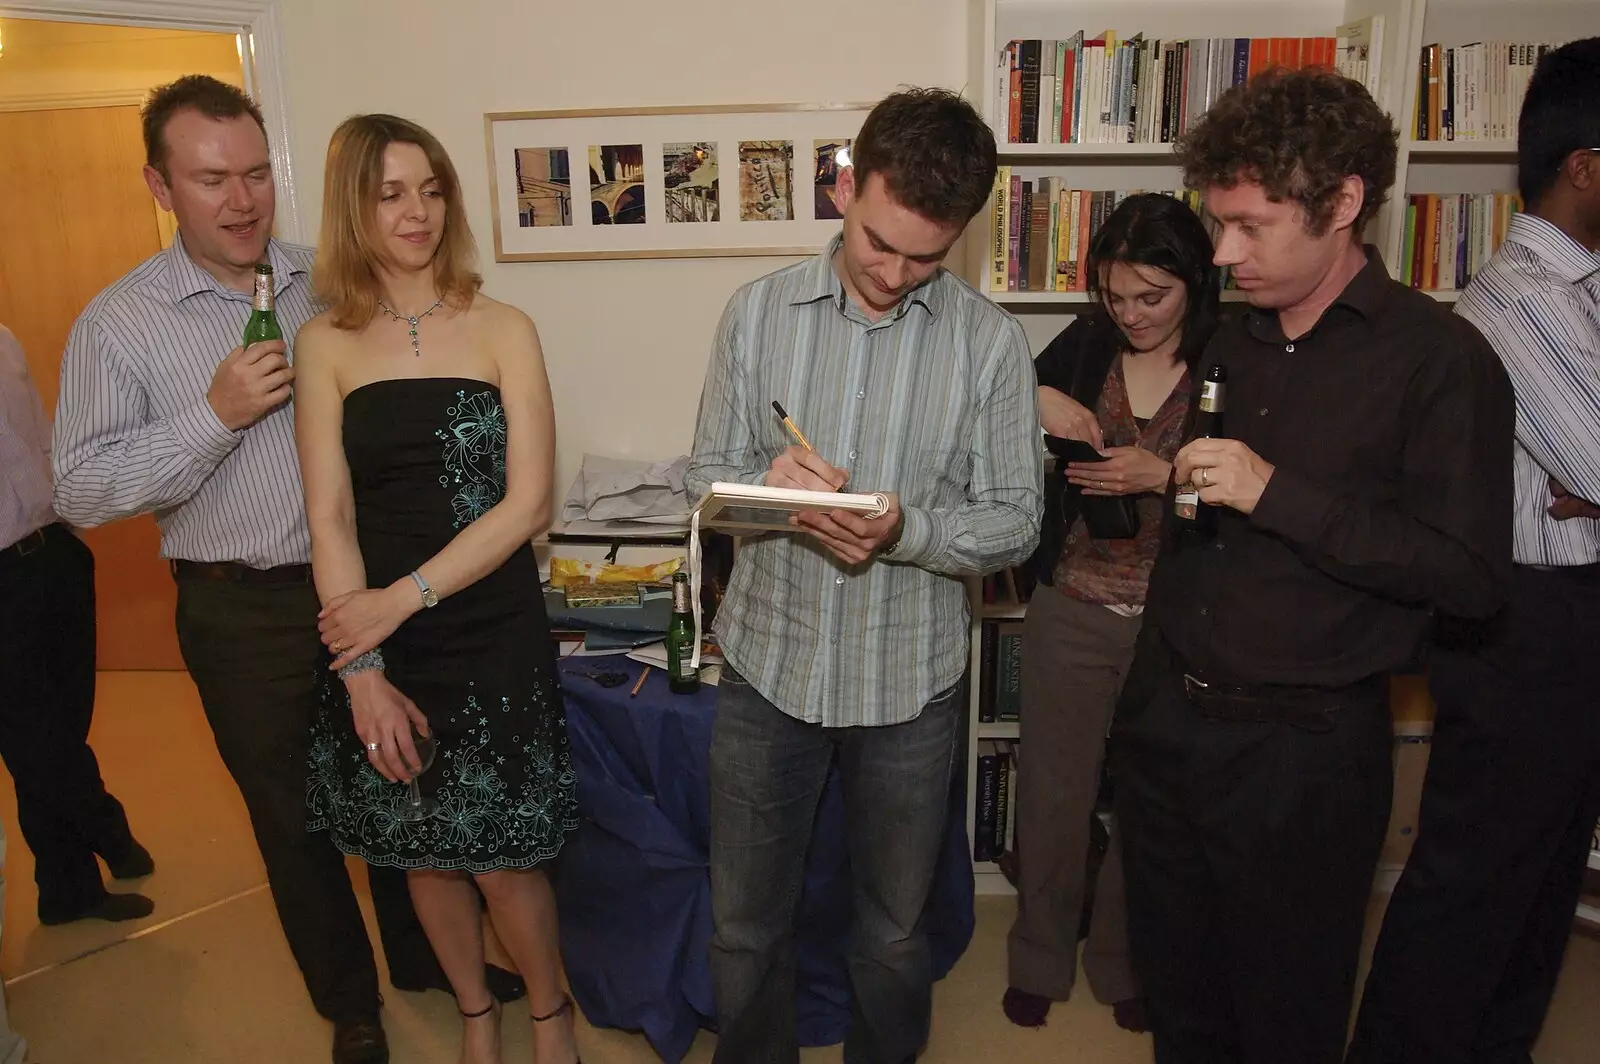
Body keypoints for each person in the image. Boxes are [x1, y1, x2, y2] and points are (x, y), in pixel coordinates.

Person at [50, 76, 521, 1064]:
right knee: (294, 816)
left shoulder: (332, 280)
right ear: (160, 184)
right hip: (243, 605)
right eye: (212, 177)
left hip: (371, 586)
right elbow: (82, 490)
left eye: (257, 173)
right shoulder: (118, 322)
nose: (242, 199)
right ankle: (349, 1001)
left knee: (404, 773)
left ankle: (428, 958)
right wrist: (211, 415)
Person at [1107, 68, 1515, 1064]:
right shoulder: (1233, 337)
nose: (1222, 251)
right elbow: (1203, 532)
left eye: (1250, 225)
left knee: (1284, 1019)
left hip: (1303, 757)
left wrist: (1274, 491)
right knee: (1181, 1008)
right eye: (1218, 222)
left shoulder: (1438, 360)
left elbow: (1469, 576)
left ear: (1340, 205)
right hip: (1170, 725)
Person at [685, 87, 1042, 1063]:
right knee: (745, 922)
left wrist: (905, 528)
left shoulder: (990, 346)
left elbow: (1017, 518)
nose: (891, 273)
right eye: (876, 240)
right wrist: (762, 486)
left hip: (908, 681)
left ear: (962, 232)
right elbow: (697, 480)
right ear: (847, 185)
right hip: (768, 665)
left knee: (890, 932)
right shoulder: (756, 313)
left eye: (924, 255)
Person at [296, 113, 580, 1064]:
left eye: (430, 188)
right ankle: (472, 1010)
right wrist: (362, 664)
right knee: (423, 849)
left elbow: (529, 501)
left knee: (503, 858)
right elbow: (330, 519)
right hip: (383, 640)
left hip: (490, 624)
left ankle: (548, 1012)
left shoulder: (505, 326)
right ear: (353, 208)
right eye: (389, 192)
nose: (416, 212)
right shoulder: (324, 345)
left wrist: (400, 597)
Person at [1348, 39, 1600, 1064]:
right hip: (1527, 626)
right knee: (1471, 886)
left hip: (1571, 612)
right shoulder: (1524, 301)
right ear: (1585, 163)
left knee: (1540, 884)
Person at [1003, 193, 1219, 1033]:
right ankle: (1038, 957)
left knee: (1149, 802)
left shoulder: (1230, 357)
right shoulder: (1088, 343)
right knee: (1053, 797)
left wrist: (1158, 476)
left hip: (1178, 619)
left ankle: (1124, 961)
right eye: (1115, 295)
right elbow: (989, 396)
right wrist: (1035, 402)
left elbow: (1270, 482)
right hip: (1073, 604)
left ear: (1193, 284)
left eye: (1151, 298)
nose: (1130, 315)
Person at [0, 323, 153, 928]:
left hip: (52, 554)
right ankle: (104, 826)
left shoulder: (5, 337)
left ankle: (64, 889)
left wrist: (69, 531)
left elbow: (39, 436)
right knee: (36, 741)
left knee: (63, 724)